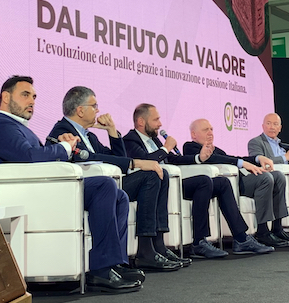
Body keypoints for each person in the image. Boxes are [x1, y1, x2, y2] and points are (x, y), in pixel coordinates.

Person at [0, 76, 141, 293]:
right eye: (25, 95)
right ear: (6, 97)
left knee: (119, 196)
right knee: (104, 186)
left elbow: (35, 157)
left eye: (34, 96)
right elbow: (29, 156)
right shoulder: (1, 126)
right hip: (30, 193)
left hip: (43, 188)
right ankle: (101, 269)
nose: (32, 101)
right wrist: (64, 148)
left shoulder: (17, 126)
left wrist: (61, 147)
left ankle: (114, 263)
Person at [47, 86, 187, 271]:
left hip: (109, 184)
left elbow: (117, 157)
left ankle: (157, 244)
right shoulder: (63, 131)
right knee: (151, 175)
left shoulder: (89, 135)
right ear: (80, 110)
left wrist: (112, 131)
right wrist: (135, 163)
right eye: (94, 106)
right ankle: (145, 251)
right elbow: (89, 157)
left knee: (161, 174)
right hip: (91, 188)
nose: (98, 110)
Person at [123, 103, 274, 258]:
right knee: (204, 181)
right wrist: (166, 148)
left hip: (172, 182)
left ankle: (241, 238)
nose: (160, 124)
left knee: (222, 182)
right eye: (156, 120)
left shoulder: (155, 141)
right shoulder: (130, 140)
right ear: (141, 122)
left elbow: (174, 160)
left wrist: (198, 158)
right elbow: (144, 161)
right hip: (156, 185)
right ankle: (199, 242)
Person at [183, 118, 289, 248]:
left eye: (211, 129)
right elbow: (212, 159)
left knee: (278, 176)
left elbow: (233, 157)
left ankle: (277, 228)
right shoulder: (190, 147)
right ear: (194, 134)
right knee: (265, 178)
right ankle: (263, 231)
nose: (210, 133)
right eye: (205, 130)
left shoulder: (216, 149)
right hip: (231, 184)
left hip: (240, 180)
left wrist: (257, 158)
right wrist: (242, 163)